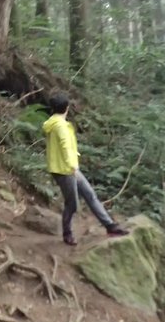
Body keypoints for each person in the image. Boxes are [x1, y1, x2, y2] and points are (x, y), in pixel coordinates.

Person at [42, 94, 128, 246]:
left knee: (90, 194)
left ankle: (110, 226)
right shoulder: (60, 126)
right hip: (65, 170)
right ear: (66, 108)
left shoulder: (56, 123)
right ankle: (67, 233)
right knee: (72, 204)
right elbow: (65, 147)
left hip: (69, 168)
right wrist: (73, 167)